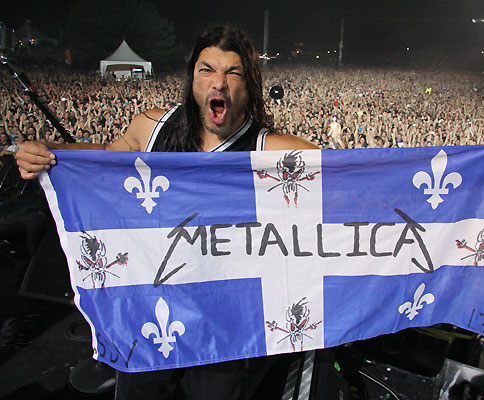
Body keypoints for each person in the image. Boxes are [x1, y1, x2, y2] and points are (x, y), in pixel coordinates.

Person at [16, 24, 317, 400]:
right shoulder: (152, 127)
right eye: (207, 69)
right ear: (192, 78)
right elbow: (106, 157)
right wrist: (47, 151)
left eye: (233, 72)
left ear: (250, 85)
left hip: (221, 328)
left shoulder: (267, 150)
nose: (218, 83)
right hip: (150, 313)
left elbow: (346, 177)